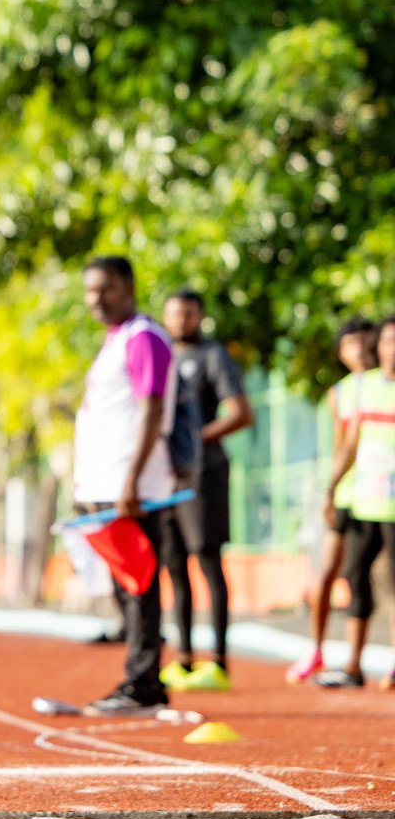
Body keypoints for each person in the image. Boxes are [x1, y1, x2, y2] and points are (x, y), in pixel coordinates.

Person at [73, 256, 178, 714]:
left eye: (106, 289)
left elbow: (152, 409)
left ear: (129, 287)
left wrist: (132, 480)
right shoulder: (116, 340)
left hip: (129, 486)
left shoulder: (143, 337)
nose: (97, 299)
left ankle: (143, 685)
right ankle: (141, 679)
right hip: (105, 482)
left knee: (138, 584)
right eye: (91, 291)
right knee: (125, 586)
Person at [155, 289, 254, 691]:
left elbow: (240, 413)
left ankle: (219, 662)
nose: (181, 321)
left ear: (200, 316)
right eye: (175, 314)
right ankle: (184, 660)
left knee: (208, 561)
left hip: (203, 474)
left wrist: (194, 442)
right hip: (165, 477)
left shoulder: (213, 356)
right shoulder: (161, 357)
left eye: (189, 314)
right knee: (174, 565)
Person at [288, 317, 376, 683]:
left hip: (379, 496)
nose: (361, 350)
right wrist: (331, 490)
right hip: (347, 494)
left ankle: (355, 660)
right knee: (328, 571)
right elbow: (342, 446)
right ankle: (317, 649)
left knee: (361, 576)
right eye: (352, 344)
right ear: (341, 352)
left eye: (366, 342)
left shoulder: (384, 385)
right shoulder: (339, 394)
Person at [319, 315, 395, 689]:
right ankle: (353, 665)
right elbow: (350, 442)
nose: (390, 349)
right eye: (386, 341)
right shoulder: (363, 389)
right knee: (355, 578)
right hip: (366, 501)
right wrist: (331, 485)